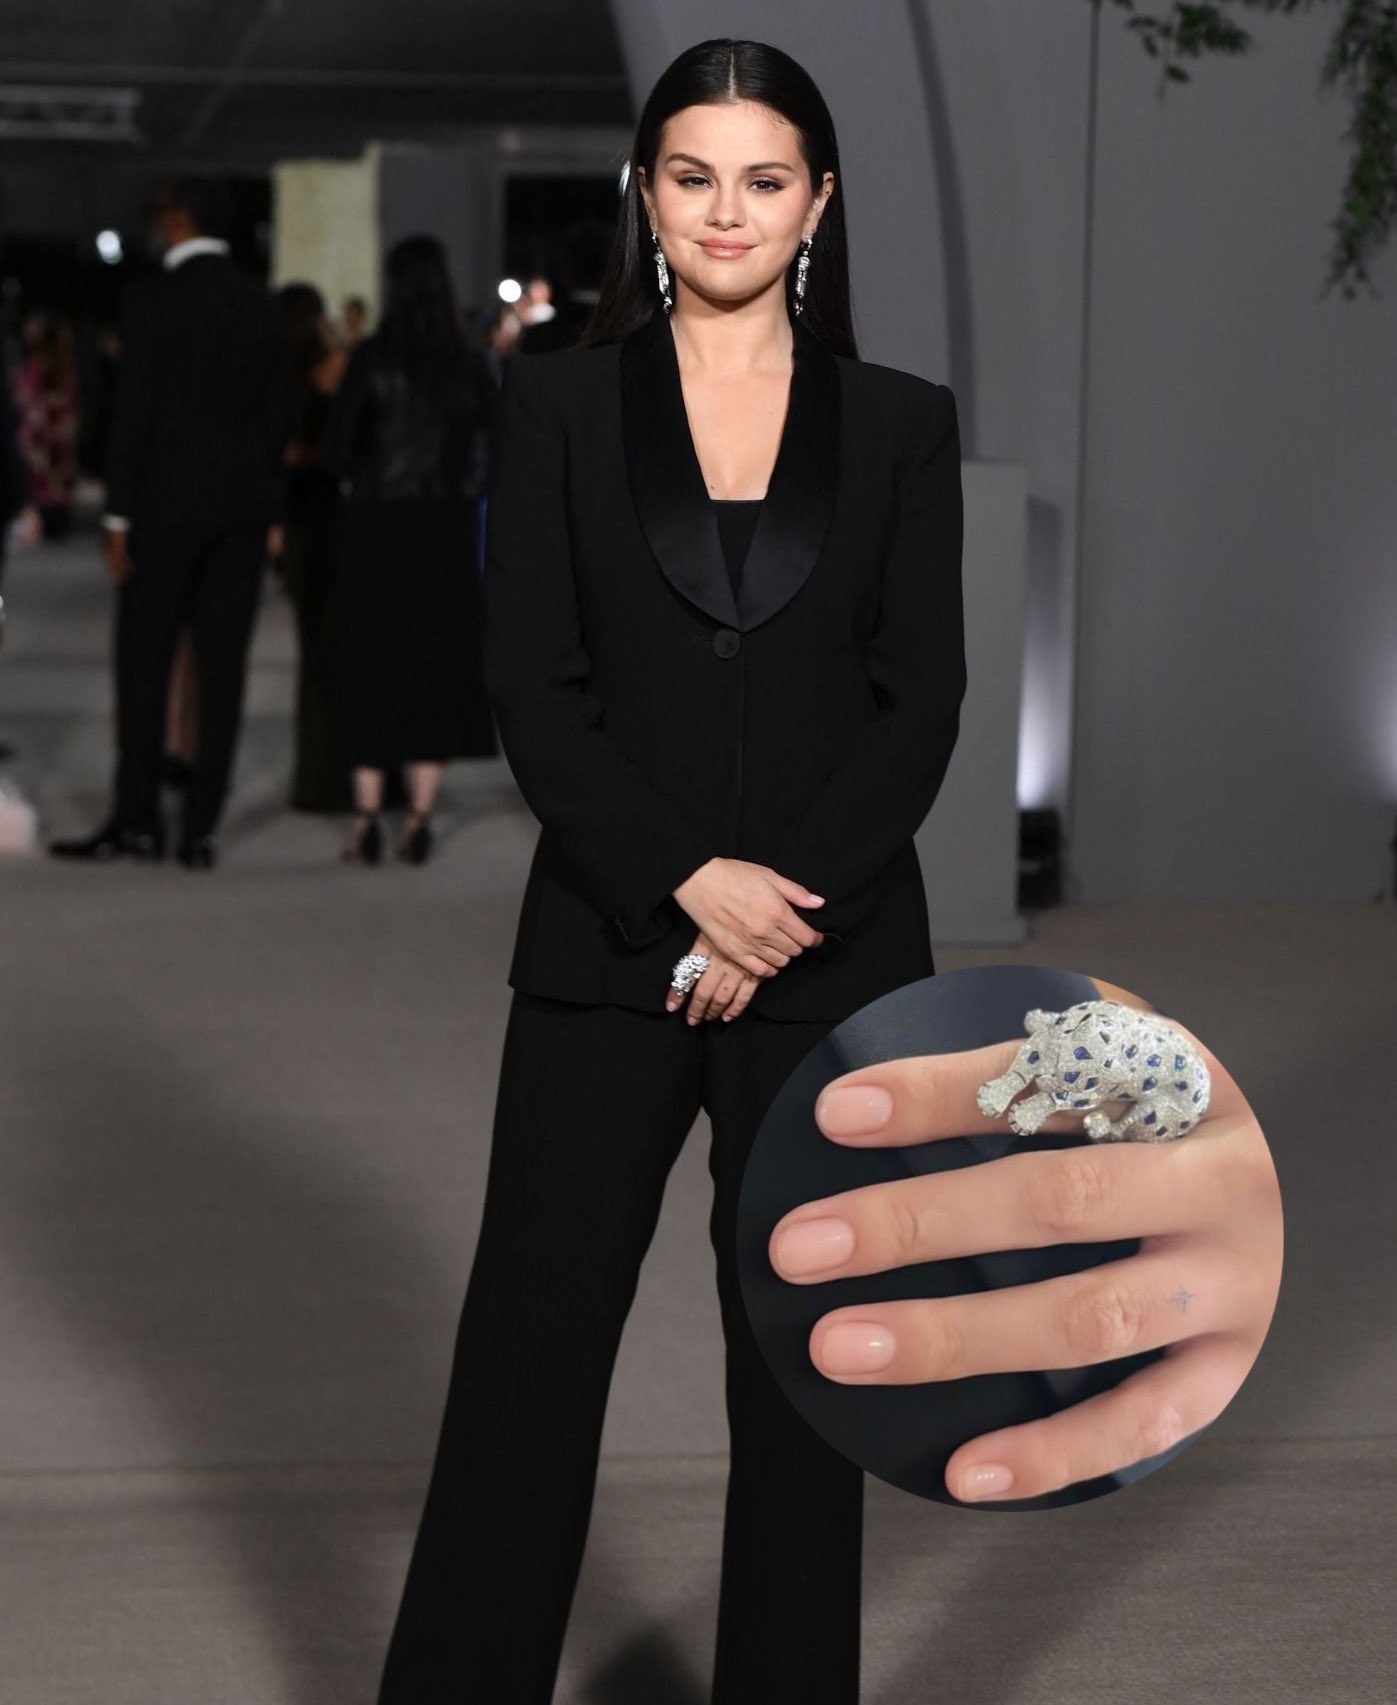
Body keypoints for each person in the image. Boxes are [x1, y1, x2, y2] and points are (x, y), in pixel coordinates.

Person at [374, 37, 965, 1705]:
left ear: (817, 202)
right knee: (526, 1367)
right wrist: (685, 883)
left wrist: (777, 903)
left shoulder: (902, 427)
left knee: (800, 1386)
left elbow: (919, 705)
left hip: (826, 961)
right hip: (603, 952)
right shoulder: (557, 400)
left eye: (762, 178)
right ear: (647, 194)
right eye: (692, 175)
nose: (727, 211)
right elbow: (533, 690)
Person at [49, 179, 287, 870]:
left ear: (179, 221)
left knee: (145, 666)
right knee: (223, 671)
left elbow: (134, 414)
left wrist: (117, 512)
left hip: (161, 510)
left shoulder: (153, 298)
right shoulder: (260, 303)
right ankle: (202, 829)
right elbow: (277, 421)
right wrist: (266, 508)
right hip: (240, 509)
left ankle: (137, 820)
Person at [320, 234, 497, 865]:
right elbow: (495, 445)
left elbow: (336, 445)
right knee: (435, 671)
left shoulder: (371, 357)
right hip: (446, 530)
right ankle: (419, 817)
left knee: (368, 669)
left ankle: (366, 819)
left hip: (375, 527)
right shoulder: (469, 361)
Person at [275, 282, 352, 812]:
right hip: (338, 521)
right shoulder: (335, 371)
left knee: (315, 657)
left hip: (301, 522)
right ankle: (349, 776)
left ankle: (318, 780)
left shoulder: (274, 375)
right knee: (341, 653)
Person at [14, 312, 80, 542]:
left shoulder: (40, 367)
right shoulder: (57, 366)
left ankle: (46, 519)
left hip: (46, 433)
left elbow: (25, 398)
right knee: (48, 477)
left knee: (44, 477)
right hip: (51, 433)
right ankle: (51, 519)